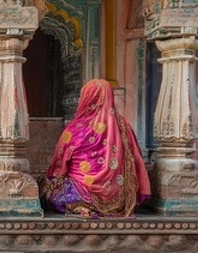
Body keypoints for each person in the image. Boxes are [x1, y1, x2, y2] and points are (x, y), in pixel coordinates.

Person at [39, 79, 150, 218]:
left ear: (86, 98)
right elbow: (137, 163)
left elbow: (59, 167)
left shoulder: (77, 129)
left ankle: (82, 206)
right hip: (120, 200)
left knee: (45, 185)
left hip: (83, 196)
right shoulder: (124, 126)